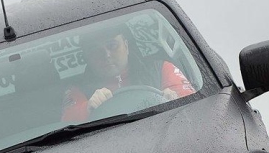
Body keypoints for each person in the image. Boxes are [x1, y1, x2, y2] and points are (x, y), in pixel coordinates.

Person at [61, 24, 197, 122]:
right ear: (87, 58)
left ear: (126, 46)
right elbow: (67, 121)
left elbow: (193, 103)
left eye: (112, 45)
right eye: (96, 50)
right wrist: (87, 108)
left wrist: (175, 98)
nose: (106, 54)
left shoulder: (161, 68)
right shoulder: (78, 89)